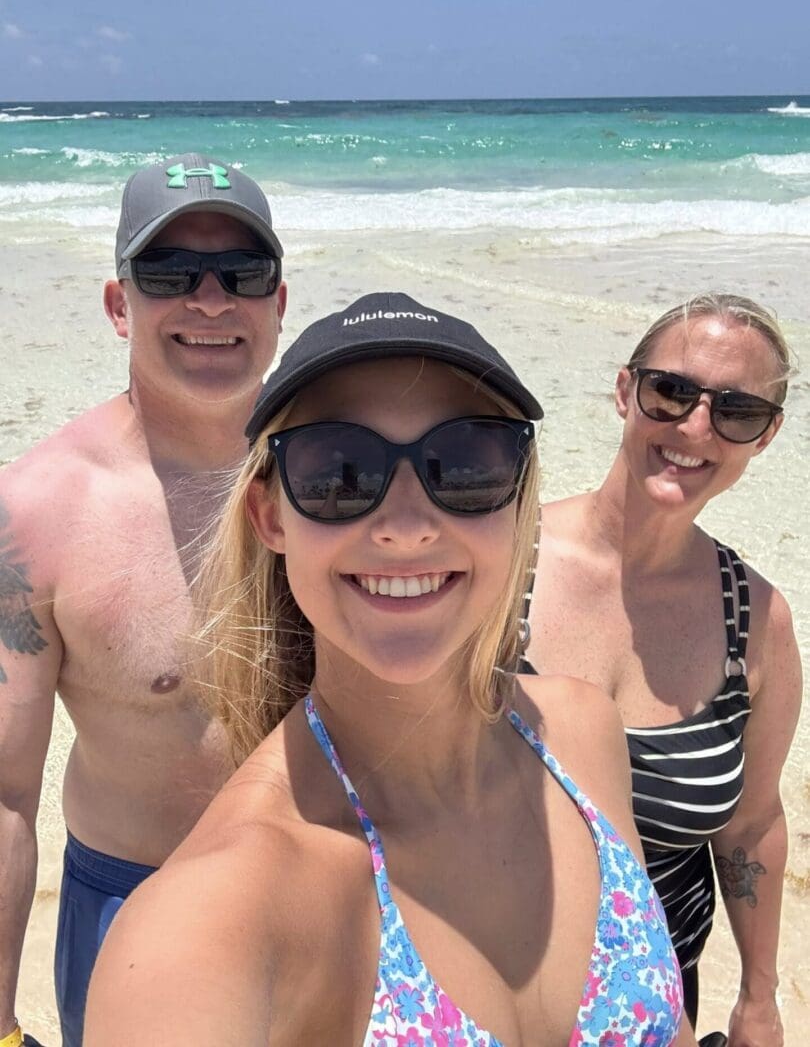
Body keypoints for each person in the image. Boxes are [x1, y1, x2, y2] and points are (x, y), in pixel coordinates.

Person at [85, 293, 696, 1047]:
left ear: (518, 500)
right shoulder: (211, 924)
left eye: (467, 464)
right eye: (338, 471)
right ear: (271, 517)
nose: (407, 528)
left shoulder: (583, 731)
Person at [0, 153, 287, 1047]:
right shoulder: (37, 512)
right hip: (131, 897)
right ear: (119, 303)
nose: (210, 301)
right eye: (169, 274)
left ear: (279, 302)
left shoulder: (354, 473)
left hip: (339, 887)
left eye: (243, 273)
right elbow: (5, 797)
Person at [523, 295, 802, 1046]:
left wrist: (758, 998)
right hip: (490, 991)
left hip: (658, 1015)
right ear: (624, 391)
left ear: (766, 435)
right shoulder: (503, 562)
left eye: (736, 411)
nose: (694, 427)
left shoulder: (758, 624)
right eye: (671, 392)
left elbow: (751, 822)